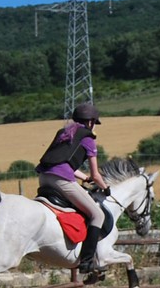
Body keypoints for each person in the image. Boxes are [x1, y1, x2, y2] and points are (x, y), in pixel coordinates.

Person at [36, 103, 111, 275]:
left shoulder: (63, 133)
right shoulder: (88, 138)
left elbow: (63, 162)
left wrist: (84, 178)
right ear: (91, 122)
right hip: (61, 180)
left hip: (44, 177)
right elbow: (97, 174)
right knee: (97, 215)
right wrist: (105, 188)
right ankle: (86, 262)